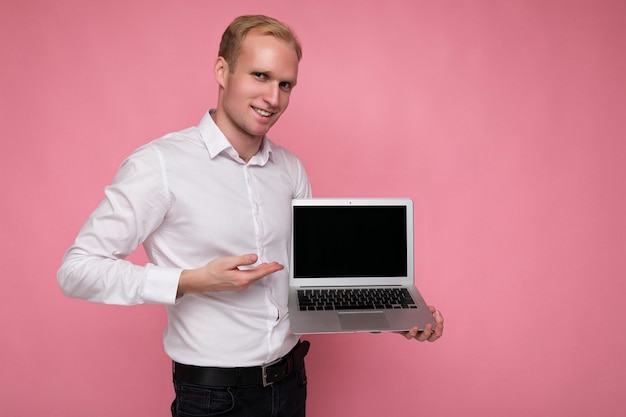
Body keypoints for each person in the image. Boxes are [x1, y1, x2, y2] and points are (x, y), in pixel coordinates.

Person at [57, 14, 444, 417]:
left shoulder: (290, 169)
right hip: (213, 397)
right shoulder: (159, 165)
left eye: (285, 84)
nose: (273, 98)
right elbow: (76, 270)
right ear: (222, 70)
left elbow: (307, 280)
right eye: (260, 76)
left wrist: (387, 314)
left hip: (291, 382)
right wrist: (190, 281)